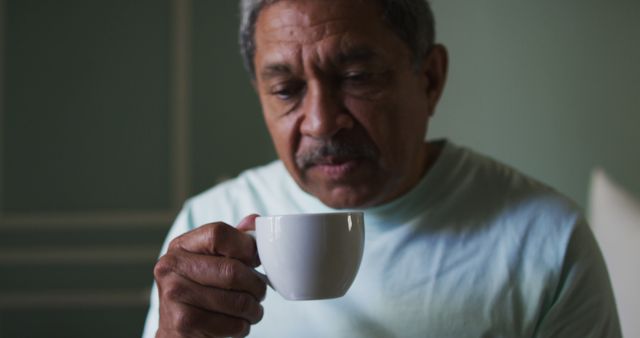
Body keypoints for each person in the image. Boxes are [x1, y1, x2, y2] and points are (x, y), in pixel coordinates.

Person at [143, 0, 621, 337]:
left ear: (429, 79)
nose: (321, 121)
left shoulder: (549, 242)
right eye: (287, 89)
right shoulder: (207, 230)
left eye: (356, 78)